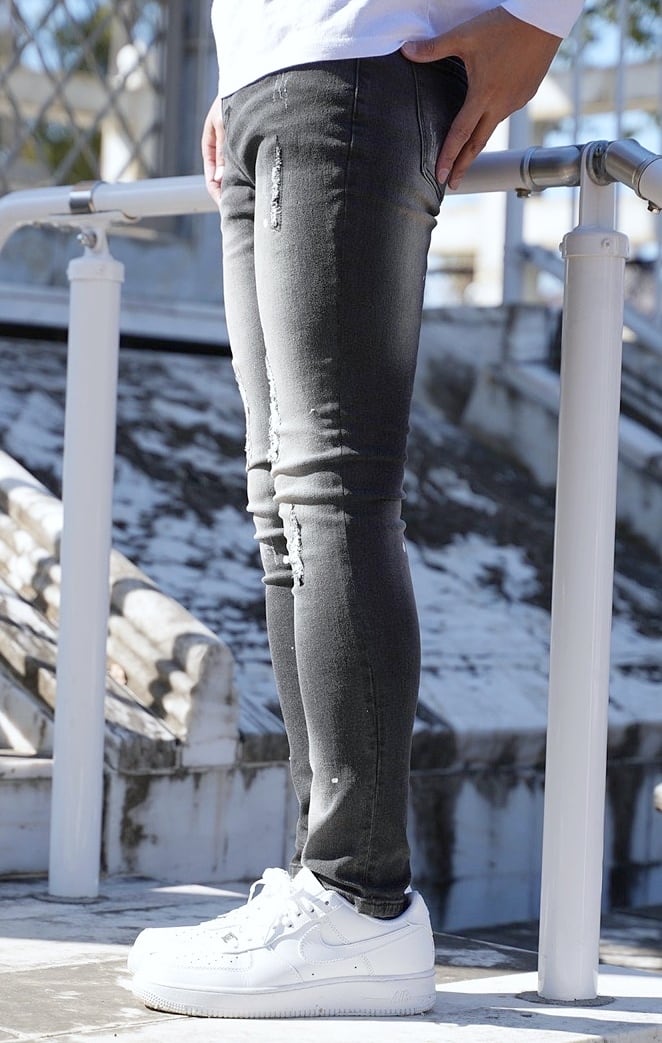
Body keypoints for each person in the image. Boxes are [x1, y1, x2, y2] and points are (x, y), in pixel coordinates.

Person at [128, 0, 583, 1019]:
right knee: (281, 504)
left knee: (333, 488)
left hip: (359, 64)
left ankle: (359, 894)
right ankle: (324, 880)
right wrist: (245, 58)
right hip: (268, 83)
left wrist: (539, 17)